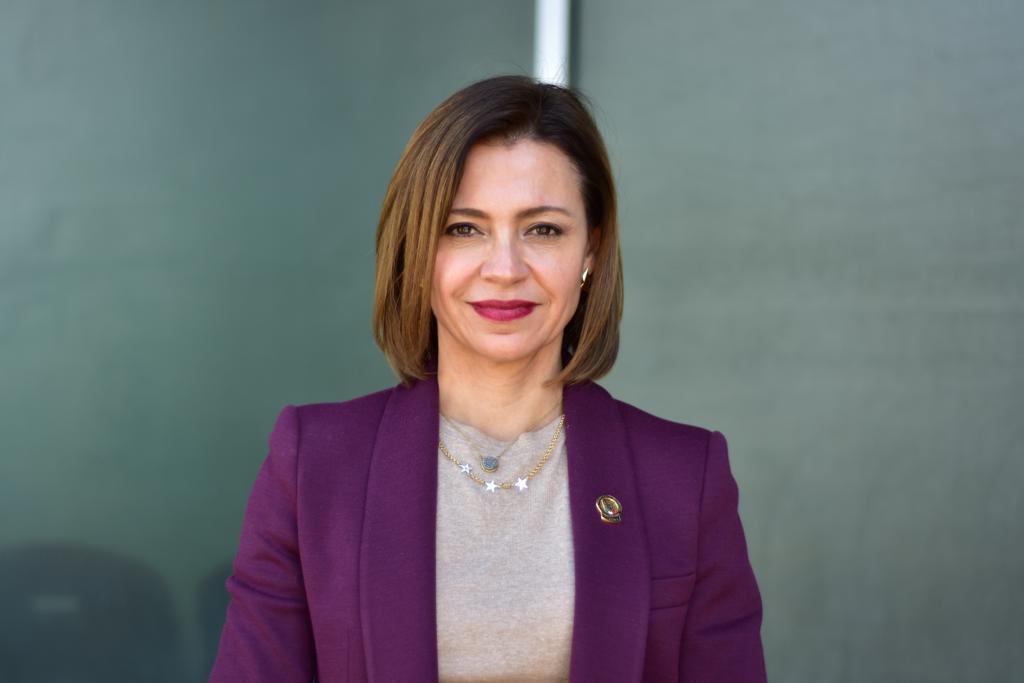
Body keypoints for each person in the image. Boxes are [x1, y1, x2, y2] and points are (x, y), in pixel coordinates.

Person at [209, 74, 766, 682]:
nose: (504, 268)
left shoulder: (684, 477)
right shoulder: (315, 466)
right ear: (418, 250)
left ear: (590, 251)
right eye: (463, 228)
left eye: (543, 229)